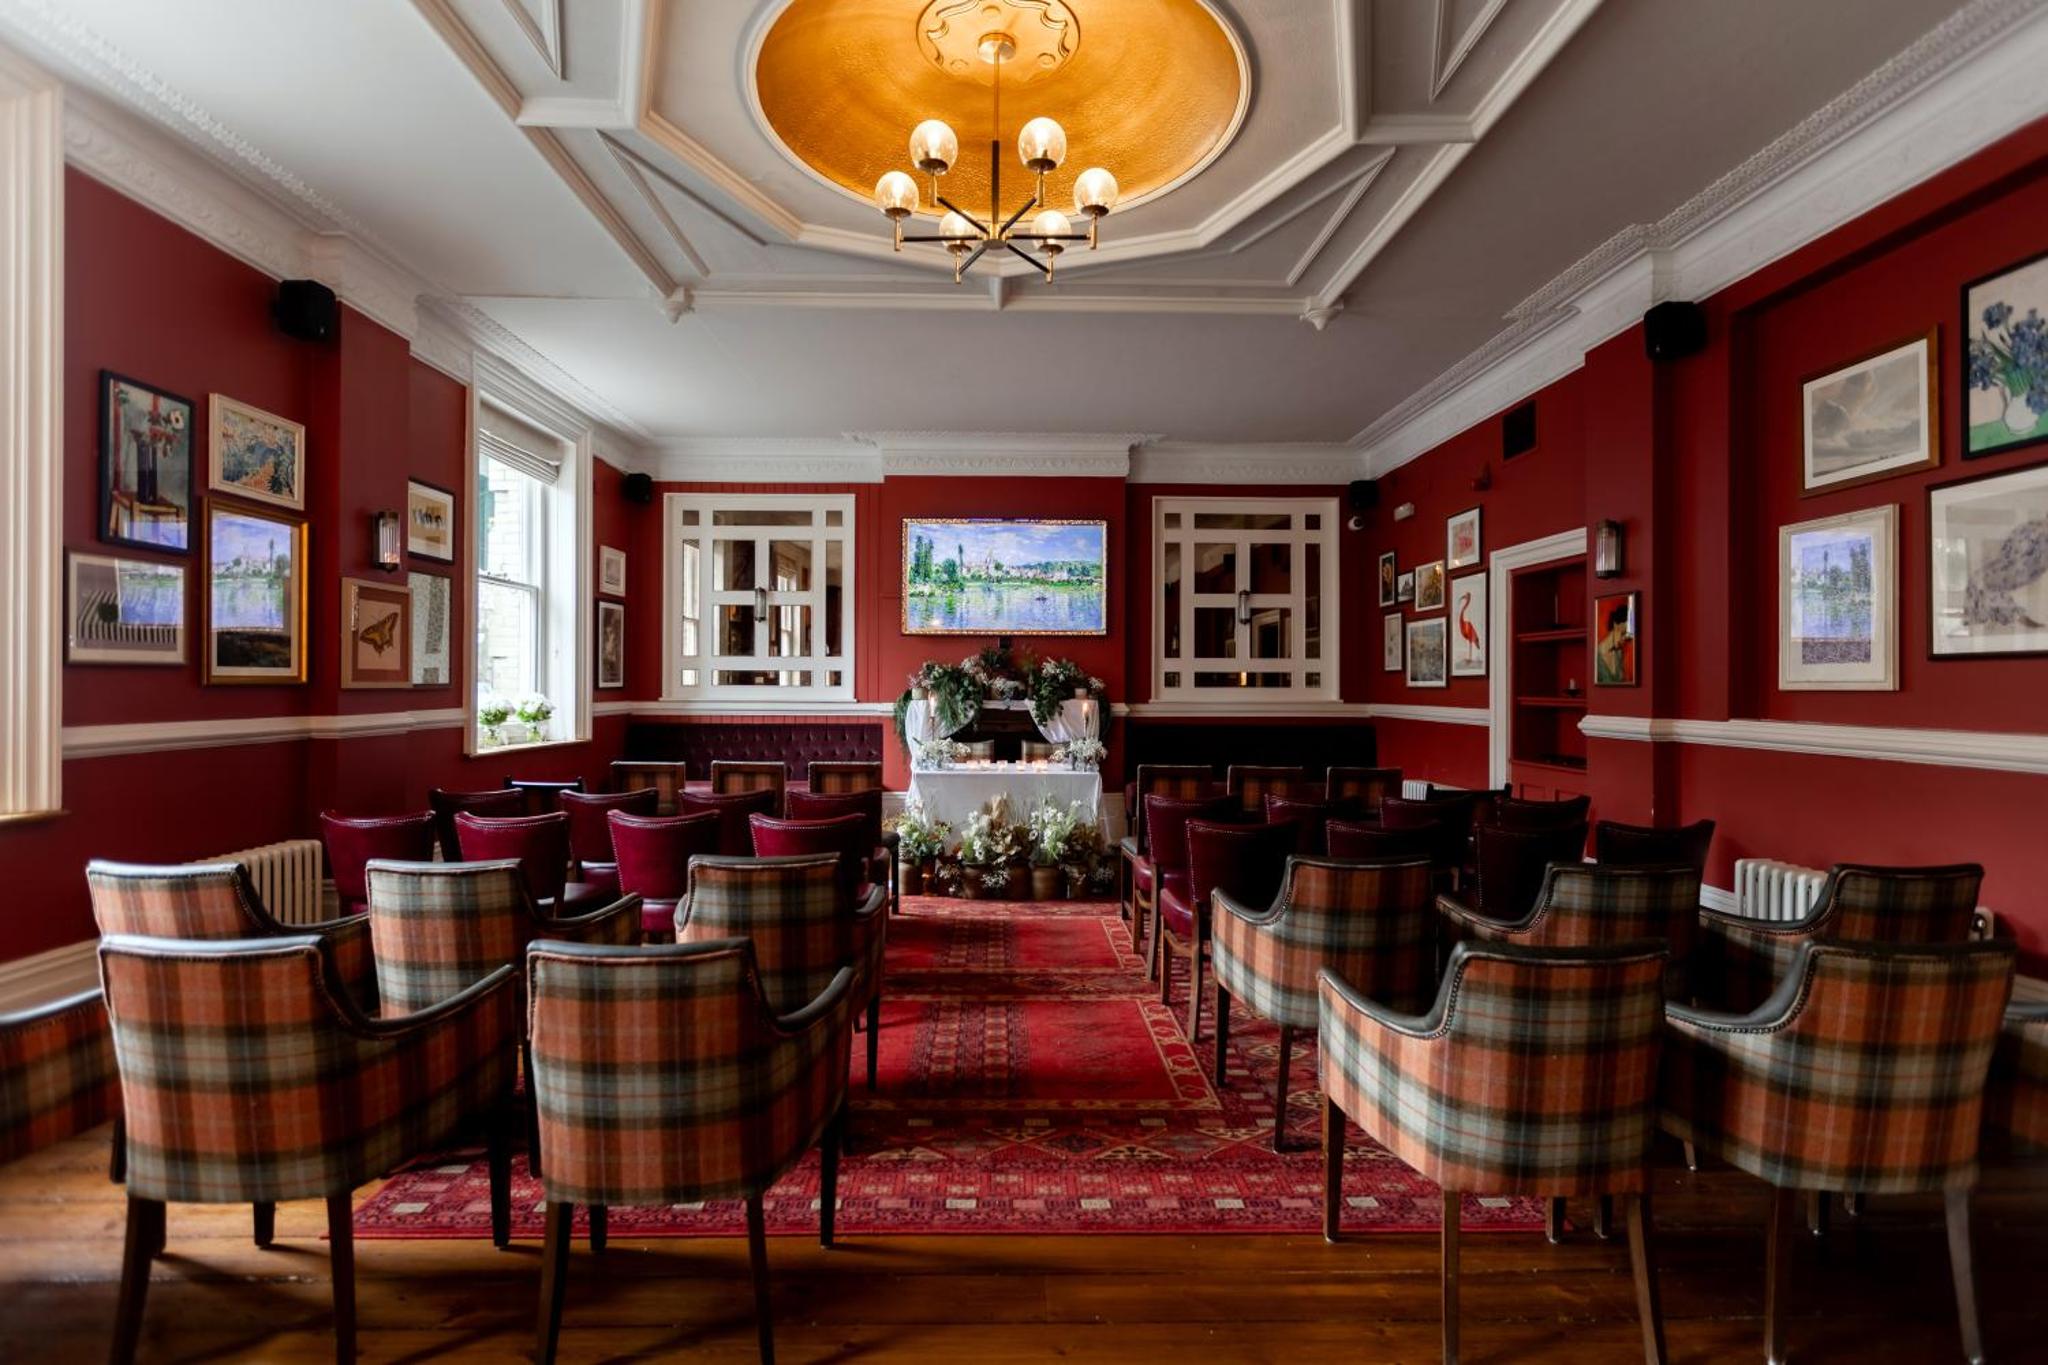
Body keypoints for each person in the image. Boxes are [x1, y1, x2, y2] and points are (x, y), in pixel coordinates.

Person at [1595, 598, 1636, 684]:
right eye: (1622, 634)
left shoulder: (1619, 652)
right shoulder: (1597, 654)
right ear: (1615, 624)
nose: (1624, 640)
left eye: (1627, 637)